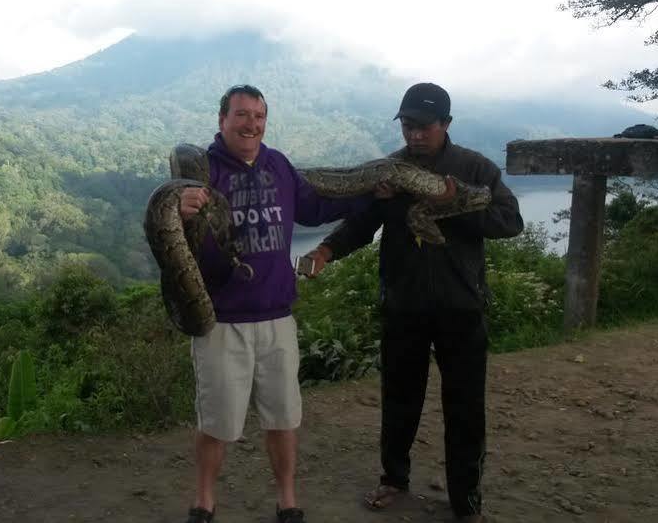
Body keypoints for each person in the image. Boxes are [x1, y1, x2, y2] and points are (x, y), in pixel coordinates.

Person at [305, 83, 523, 523]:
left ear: (445, 124)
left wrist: (452, 200)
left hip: (461, 306)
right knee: (399, 398)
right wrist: (325, 251)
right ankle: (393, 479)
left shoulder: (474, 168)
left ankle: (466, 500)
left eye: (423, 127)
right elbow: (361, 223)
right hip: (403, 303)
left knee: (465, 406)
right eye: (407, 126)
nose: (415, 135)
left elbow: (509, 221)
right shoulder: (389, 172)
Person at [176, 85, 373, 523]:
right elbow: (176, 226)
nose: (251, 124)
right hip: (221, 322)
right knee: (217, 423)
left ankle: (287, 501)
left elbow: (316, 207)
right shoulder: (202, 172)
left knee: (283, 418)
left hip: (277, 315)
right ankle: (204, 503)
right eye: (242, 115)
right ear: (222, 120)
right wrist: (180, 209)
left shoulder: (278, 164)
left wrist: (372, 193)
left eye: (259, 116)